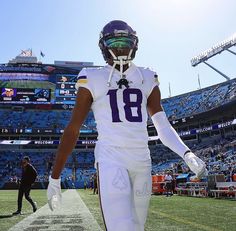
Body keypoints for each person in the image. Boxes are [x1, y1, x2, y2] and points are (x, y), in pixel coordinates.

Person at [47, 20, 207, 231]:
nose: (121, 47)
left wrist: (187, 153)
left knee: (137, 227)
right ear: (104, 46)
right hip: (111, 159)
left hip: (142, 161)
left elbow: (162, 125)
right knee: (123, 227)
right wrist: (55, 177)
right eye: (116, 42)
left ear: (135, 44)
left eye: (126, 41)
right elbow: (73, 128)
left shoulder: (147, 77)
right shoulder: (92, 77)